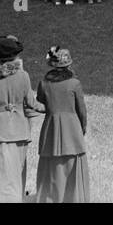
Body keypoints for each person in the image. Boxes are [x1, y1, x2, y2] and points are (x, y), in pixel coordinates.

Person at [0, 34, 41, 203]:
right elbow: (31, 102)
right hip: (20, 129)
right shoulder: (23, 76)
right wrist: (48, 107)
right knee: (16, 170)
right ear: (16, 56)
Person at [35, 46, 90, 203]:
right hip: (72, 131)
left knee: (52, 168)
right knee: (73, 167)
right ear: (68, 65)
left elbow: (41, 104)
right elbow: (82, 112)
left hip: (50, 130)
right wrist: (82, 129)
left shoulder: (44, 84)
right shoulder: (75, 84)